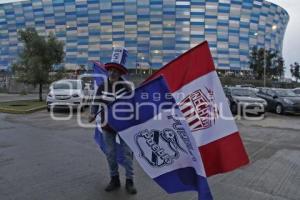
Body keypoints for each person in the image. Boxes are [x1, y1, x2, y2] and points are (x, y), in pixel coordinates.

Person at [89, 62, 137, 194]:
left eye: (115, 71)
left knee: (127, 154)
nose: (112, 73)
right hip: (107, 126)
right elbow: (96, 102)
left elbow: (133, 104)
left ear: (120, 74)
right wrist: (93, 113)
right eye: (110, 71)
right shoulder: (102, 87)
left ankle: (129, 181)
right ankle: (114, 179)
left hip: (124, 126)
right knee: (110, 153)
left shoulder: (126, 87)